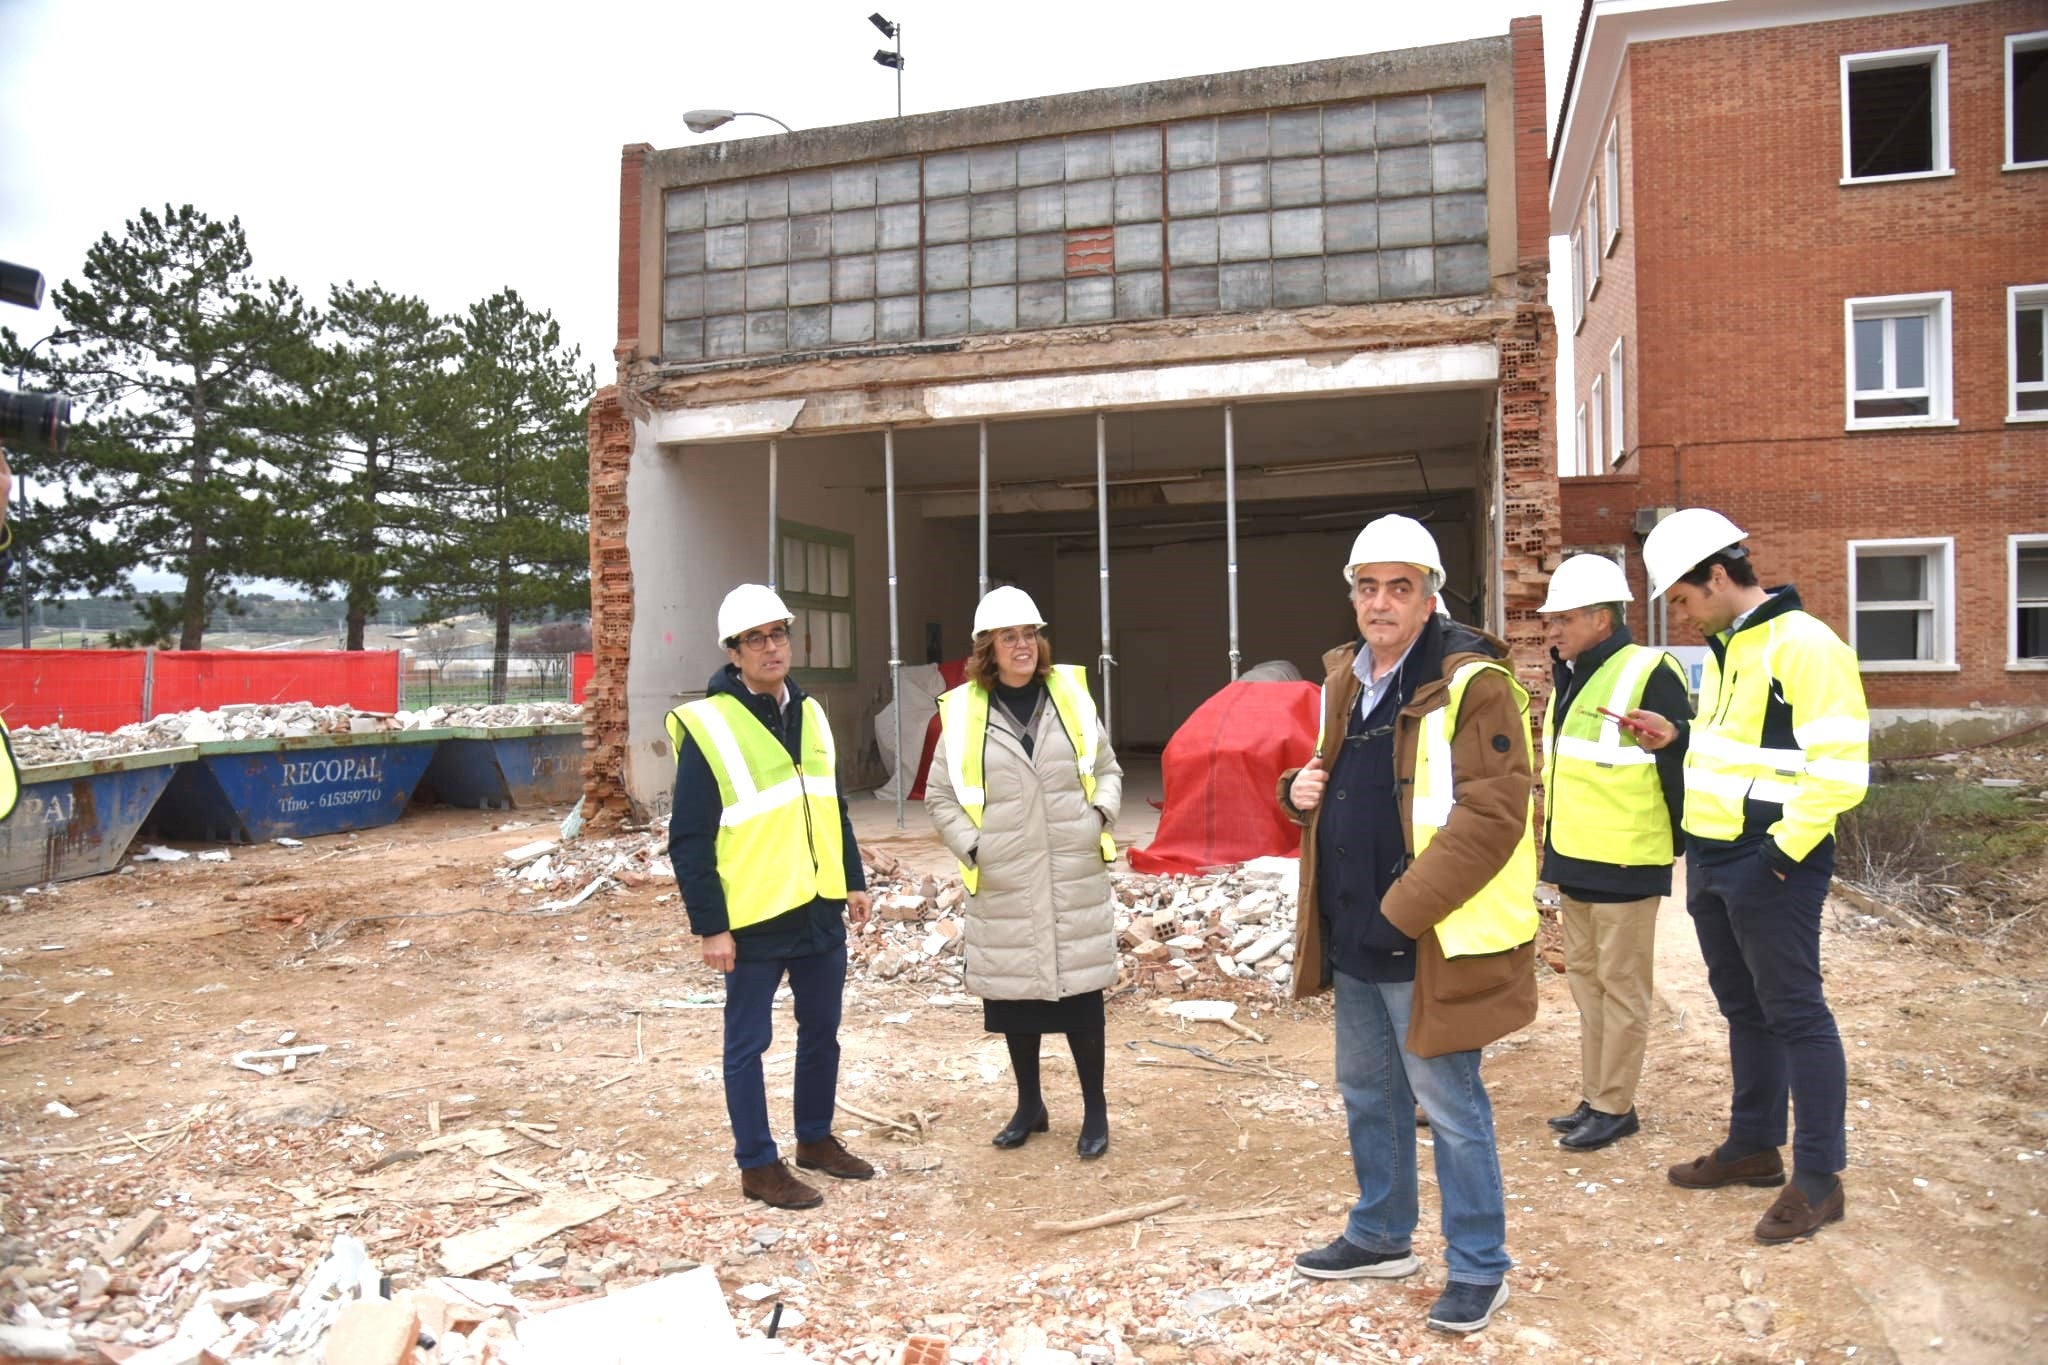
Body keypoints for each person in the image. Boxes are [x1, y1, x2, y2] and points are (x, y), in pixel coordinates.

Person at [1277, 514, 1538, 1336]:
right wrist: (1296, 791)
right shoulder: (1347, 680)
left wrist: (1403, 910)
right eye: (1367, 586)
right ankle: (1383, 1233)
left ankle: (1478, 1265)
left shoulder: (1474, 682)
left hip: (1431, 936)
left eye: (1399, 586)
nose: (1380, 602)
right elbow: (1345, 781)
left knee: (1451, 1105)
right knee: (1368, 1092)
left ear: (1430, 596)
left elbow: (1493, 816)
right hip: (1356, 930)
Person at [1631, 509, 1868, 1244]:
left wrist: (1778, 856)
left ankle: (1820, 1178)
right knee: (1744, 1007)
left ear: (1721, 575)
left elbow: (1840, 773)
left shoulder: (1807, 645)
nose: (1679, 611)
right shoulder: (1734, 648)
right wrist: (1678, 737)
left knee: (1796, 1012)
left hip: (1769, 862)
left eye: (1683, 595)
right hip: (1714, 855)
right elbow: (1748, 751)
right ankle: (1755, 1146)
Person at [667, 583, 874, 1210]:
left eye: (779, 633)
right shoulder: (709, 725)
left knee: (823, 1033)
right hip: (752, 917)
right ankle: (758, 1166)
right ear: (734, 652)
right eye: (755, 638)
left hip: (816, 907)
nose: (771, 646)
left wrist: (854, 880)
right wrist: (711, 926)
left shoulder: (810, 713)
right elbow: (690, 838)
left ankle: (814, 1140)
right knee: (747, 1046)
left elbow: (829, 807)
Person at [924, 586, 1122, 1160]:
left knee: (1082, 1000)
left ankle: (1095, 1110)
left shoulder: (1070, 698)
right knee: (1016, 1003)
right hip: (1006, 876)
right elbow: (940, 797)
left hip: (1071, 872)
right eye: (1009, 637)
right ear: (988, 647)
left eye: (1030, 634)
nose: (1023, 646)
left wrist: (1098, 816)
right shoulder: (962, 711)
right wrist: (975, 848)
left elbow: (1106, 768)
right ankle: (1030, 1104)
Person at [1536, 554, 1692, 1152]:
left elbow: (1682, 761)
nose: (1552, 631)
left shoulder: (1650, 670)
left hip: (1628, 859)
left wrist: (1681, 844)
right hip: (1576, 857)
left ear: (1602, 618)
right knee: (1587, 984)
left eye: (1564, 619)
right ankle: (1595, 1094)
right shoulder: (1571, 676)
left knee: (1621, 987)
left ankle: (1614, 1105)